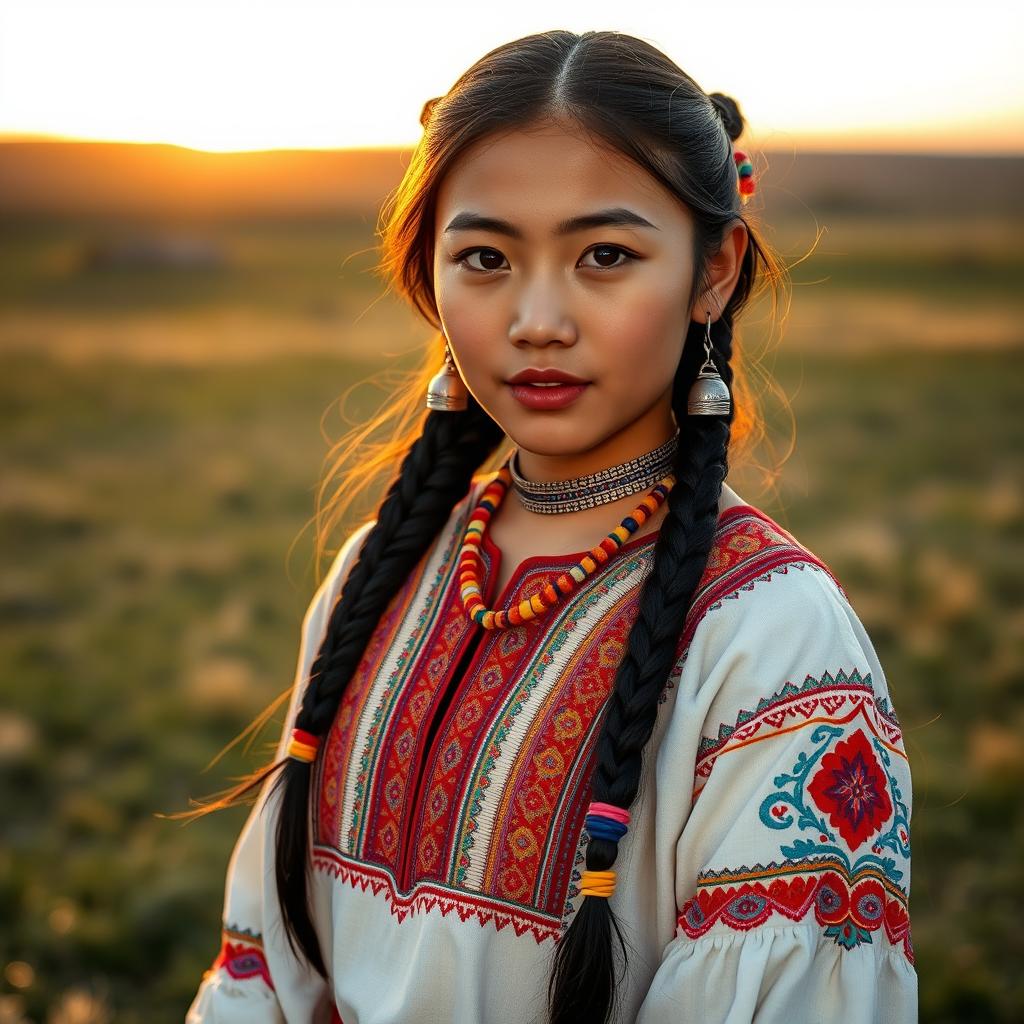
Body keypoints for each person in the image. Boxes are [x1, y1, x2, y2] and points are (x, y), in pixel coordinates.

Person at [181, 28, 917, 1024]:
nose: (535, 318)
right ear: (425, 276)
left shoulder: (776, 643)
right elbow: (262, 975)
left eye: (603, 255)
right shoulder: (373, 579)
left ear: (713, 270)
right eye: (483, 256)